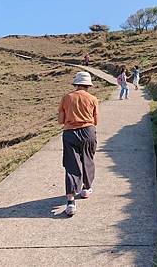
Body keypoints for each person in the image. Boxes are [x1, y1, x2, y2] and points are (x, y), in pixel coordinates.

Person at [58, 71, 99, 216]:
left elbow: (60, 121)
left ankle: (70, 202)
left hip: (70, 133)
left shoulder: (66, 98)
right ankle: (86, 188)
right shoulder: (93, 98)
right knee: (88, 159)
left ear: (76, 84)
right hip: (88, 131)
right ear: (88, 85)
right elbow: (96, 121)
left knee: (71, 165)